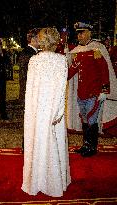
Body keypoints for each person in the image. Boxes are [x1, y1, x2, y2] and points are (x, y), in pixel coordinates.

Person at [22, 27, 71, 197]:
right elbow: (61, 90)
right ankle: (56, 181)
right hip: (52, 109)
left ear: (42, 41)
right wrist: (57, 113)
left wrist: (30, 112)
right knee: (54, 143)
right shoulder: (61, 60)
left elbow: (30, 90)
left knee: (39, 143)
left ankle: (38, 180)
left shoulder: (34, 61)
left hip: (38, 109)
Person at [67, 22, 112, 157]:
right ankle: (86, 145)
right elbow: (72, 71)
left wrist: (104, 90)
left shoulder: (96, 49)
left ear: (89, 33)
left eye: (82, 33)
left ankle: (92, 147)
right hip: (82, 93)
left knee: (92, 121)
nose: (79, 36)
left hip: (94, 92)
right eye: (78, 33)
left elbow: (104, 70)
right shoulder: (78, 51)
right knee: (85, 120)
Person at [18, 28, 40, 105]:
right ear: (34, 38)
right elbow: (27, 76)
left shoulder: (31, 52)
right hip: (29, 93)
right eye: (40, 37)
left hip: (30, 92)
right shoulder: (28, 53)